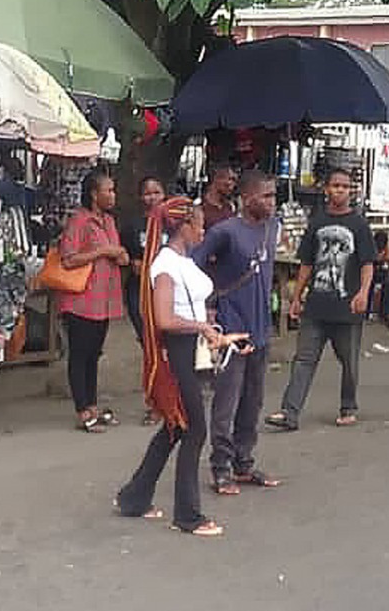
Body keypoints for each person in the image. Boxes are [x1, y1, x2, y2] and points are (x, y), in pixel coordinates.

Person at [114, 197, 247, 537]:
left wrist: (209, 325)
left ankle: (134, 497)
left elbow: (188, 308)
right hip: (177, 352)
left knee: (175, 427)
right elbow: (165, 319)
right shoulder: (165, 266)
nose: (204, 230)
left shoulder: (181, 262)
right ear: (183, 227)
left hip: (191, 349)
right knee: (194, 429)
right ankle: (187, 514)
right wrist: (201, 326)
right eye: (199, 224)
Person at [192, 169, 282, 494]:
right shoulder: (225, 232)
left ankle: (244, 462)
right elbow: (195, 265)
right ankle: (221, 466)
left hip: (260, 328)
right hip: (231, 328)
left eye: (274, 195)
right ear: (247, 197)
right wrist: (209, 308)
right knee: (226, 400)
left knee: (253, 400)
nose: (272, 202)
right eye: (266, 196)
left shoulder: (273, 228)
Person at [266, 167, 376, 432]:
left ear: (351, 191)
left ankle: (348, 407)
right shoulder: (317, 222)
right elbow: (306, 262)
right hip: (316, 306)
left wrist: (363, 293)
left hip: (347, 307)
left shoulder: (359, 224)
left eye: (345, 186)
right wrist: (297, 297)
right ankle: (289, 412)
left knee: (348, 361)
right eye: (335, 185)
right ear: (326, 189)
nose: (340, 190)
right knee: (303, 359)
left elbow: (367, 263)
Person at [57, 168, 128, 433]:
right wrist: (101, 251)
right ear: (94, 194)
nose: (113, 195)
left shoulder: (109, 222)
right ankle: (82, 409)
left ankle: (93, 405)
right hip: (81, 300)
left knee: (93, 356)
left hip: (105, 300)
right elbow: (68, 258)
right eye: (108, 190)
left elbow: (118, 254)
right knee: (80, 355)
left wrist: (118, 255)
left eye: (113, 190)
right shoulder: (79, 221)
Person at [121, 175, 167, 345]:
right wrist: (132, 261)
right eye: (147, 193)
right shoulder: (132, 225)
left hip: (165, 287)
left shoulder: (172, 223)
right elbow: (122, 253)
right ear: (141, 197)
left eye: (157, 192)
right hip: (138, 288)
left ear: (164, 194)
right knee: (145, 337)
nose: (152, 197)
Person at [370, 230, 389, 330]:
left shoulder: (387, 250)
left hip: (381, 272)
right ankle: (367, 312)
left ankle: (386, 312)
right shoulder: (369, 247)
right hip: (368, 272)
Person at [200, 164, 239, 230]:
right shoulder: (199, 206)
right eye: (230, 179)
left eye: (234, 181)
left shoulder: (231, 207)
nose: (232, 185)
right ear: (217, 178)